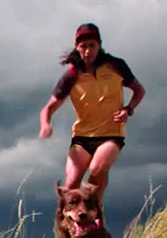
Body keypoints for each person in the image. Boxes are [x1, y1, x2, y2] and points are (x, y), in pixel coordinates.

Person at [39, 23, 145, 205]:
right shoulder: (72, 75)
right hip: (82, 136)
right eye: (83, 46)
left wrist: (128, 110)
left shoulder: (116, 66)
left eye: (92, 46)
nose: (88, 51)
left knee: (97, 170)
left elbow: (139, 91)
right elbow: (48, 108)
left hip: (111, 135)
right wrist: (46, 125)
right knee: (71, 183)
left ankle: (92, 212)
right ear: (77, 48)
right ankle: (71, 226)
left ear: (99, 45)